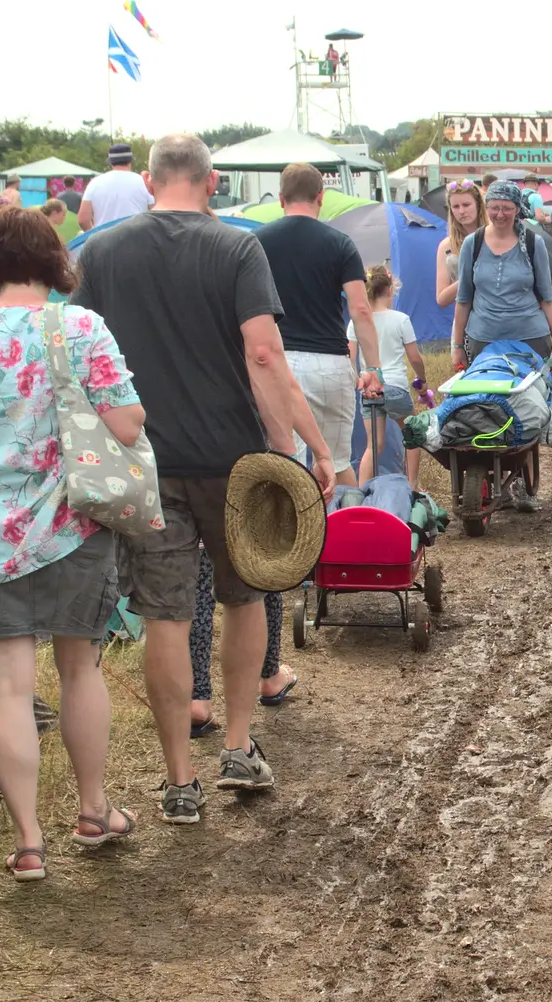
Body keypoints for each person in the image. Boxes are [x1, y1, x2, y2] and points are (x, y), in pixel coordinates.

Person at [73, 132, 336, 826]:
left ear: (151, 180)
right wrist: (301, 447)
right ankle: (240, 746)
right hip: (232, 461)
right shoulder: (237, 248)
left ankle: (179, 781)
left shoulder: (99, 252)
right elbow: (263, 351)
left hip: (143, 466)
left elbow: (82, 354)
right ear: (212, 180)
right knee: (246, 596)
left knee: (165, 615)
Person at [0, 205, 144, 880]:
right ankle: (93, 809)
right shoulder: (80, 328)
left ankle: (27, 841)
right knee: (81, 669)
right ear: (54, 260)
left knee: (11, 689)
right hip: (74, 524)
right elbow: (128, 424)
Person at [254, 163, 383, 488]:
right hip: (329, 363)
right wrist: (374, 368)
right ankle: (347, 532)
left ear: (281, 199)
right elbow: (360, 310)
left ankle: (294, 537)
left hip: (277, 361)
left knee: (288, 465)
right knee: (337, 461)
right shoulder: (340, 243)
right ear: (320, 196)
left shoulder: (255, 242)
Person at [452, 180, 552, 513]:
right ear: (486, 208)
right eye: (494, 208)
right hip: (483, 339)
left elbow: (548, 299)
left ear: (518, 210)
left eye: (507, 208)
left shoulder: (532, 243)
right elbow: (463, 301)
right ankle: (487, 474)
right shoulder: (472, 245)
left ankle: (524, 479)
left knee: (525, 405)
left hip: (528, 337)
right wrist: (456, 346)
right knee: (483, 403)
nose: (500, 214)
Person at [349, 265, 426, 487]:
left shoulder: (356, 322)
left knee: (374, 446)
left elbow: (350, 356)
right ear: (391, 290)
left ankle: (362, 492)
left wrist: (358, 381)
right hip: (395, 387)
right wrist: (422, 379)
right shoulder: (400, 319)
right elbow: (414, 358)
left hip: (370, 390)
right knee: (412, 435)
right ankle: (412, 486)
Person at [78, 143, 152, 231]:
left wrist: (94, 235)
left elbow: (83, 219)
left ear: (111, 162)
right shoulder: (144, 182)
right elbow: (157, 211)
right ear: (130, 161)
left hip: (104, 239)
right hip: (136, 237)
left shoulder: (94, 183)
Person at [436, 180, 485, 308]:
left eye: (466, 204)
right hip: (464, 315)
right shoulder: (447, 246)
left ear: (478, 205)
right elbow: (441, 299)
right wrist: (466, 277)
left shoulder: (493, 236)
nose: (461, 211)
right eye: (456, 207)